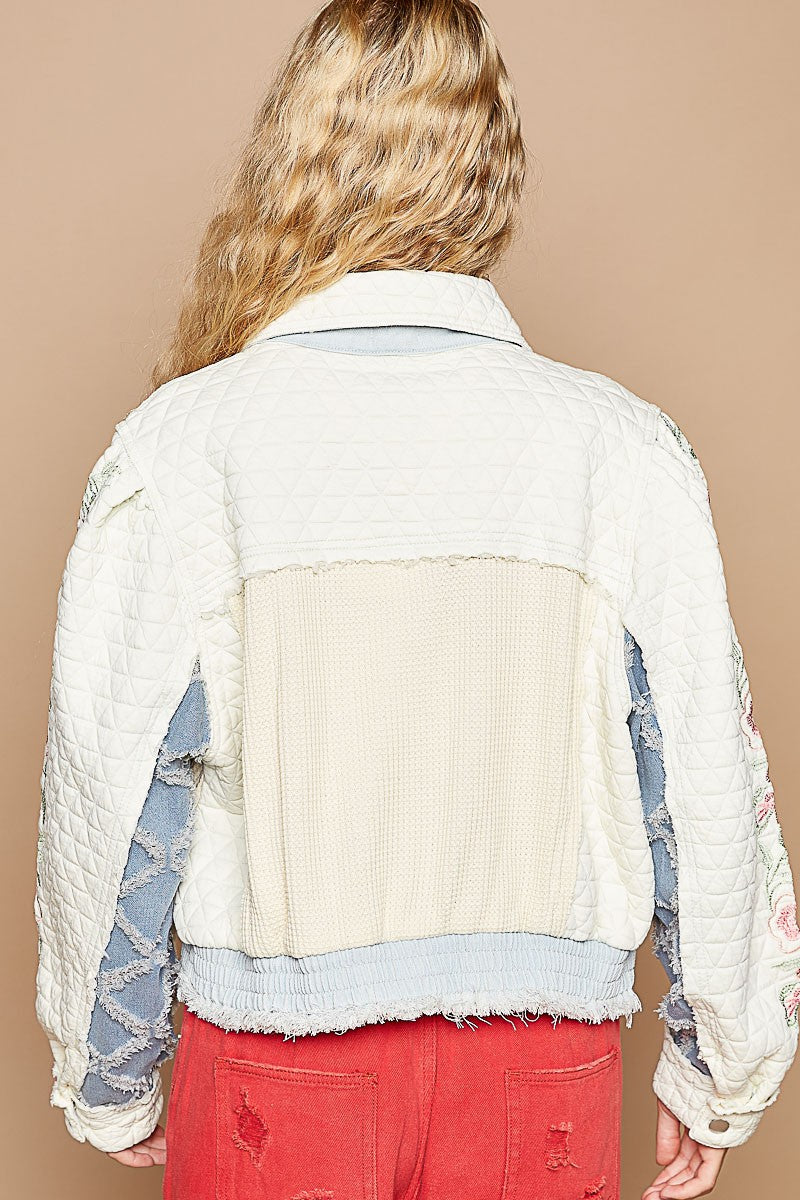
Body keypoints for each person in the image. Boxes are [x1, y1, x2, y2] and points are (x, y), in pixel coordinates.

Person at [34, 2, 799, 1198]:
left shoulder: (183, 449)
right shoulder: (620, 450)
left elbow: (118, 788)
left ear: (291, 151)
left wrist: (110, 1071)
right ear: (491, 166)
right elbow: (695, 771)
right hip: (539, 1075)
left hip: (274, 1075)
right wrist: (720, 1064)